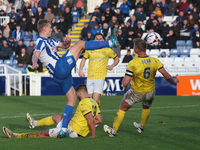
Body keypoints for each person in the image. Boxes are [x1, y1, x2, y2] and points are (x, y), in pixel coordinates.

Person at [31, 19, 116, 137]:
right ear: (44, 29)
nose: (52, 29)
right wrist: (34, 63)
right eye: (50, 27)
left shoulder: (50, 40)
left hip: (59, 75)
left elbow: (64, 46)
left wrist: (68, 42)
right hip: (59, 68)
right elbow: (35, 54)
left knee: (72, 100)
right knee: (81, 44)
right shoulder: (40, 41)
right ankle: (110, 43)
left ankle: (63, 129)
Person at [103, 38, 179, 137]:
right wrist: (174, 81)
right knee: (146, 107)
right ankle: (141, 127)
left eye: (134, 46)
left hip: (137, 92)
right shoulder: (154, 61)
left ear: (137, 49)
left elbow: (125, 82)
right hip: (150, 91)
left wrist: (125, 83)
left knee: (122, 108)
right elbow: (167, 76)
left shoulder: (133, 63)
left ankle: (113, 132)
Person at [2, 84, 102, 138]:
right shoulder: (94, 102)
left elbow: (90, 119)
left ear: (80, 93)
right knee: (57, 116)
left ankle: (15, 136)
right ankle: (34, 123)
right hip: (73, 126)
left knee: (42, 133)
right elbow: (99, 120)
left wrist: (93, 135)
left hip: (72, 131)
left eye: (76, 94)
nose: (76, 96)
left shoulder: (83, 102)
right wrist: (87, 126)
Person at [79, 33, 119, 106]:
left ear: (104, 40)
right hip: (90, 77)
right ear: (93, 40)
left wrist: (112, 65)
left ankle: (96, 115)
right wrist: (80, 70)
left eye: (100, 39)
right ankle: (95, 114)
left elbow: (116, 59)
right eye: (97, 39)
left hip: (100, 78)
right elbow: (84, 59)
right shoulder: (89, 49)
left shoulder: (107, 50)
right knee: (89, 100)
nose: (98, 40)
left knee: (95, 100)